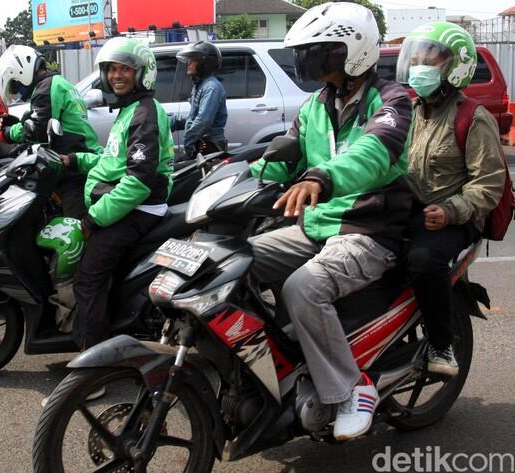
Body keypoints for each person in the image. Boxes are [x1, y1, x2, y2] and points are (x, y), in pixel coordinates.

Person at [247, 3, 414, 441]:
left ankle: (350, 389)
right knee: (236, 259)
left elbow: (373, 153)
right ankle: (280, 361)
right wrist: (246, 170)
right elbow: (288, 156)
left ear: (351, 50)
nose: (307, 61)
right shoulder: (314, 107)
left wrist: (322, 176)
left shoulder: (393, 101)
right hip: (316, 227)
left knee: (303, 287)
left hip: (368, 230)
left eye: (318, 51)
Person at [396, 22, 506, 376]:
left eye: (430, 59)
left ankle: (442, 346)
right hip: (411, 208)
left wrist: (450, 210)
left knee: (423, 259)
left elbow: (488, 185)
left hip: (453, 219)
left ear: (456, 66)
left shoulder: (472, 117)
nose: (419, 66)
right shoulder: (411, 113)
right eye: (416, 59)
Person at [61, 37, 174, 350]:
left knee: (88, 279)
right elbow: (112, 159)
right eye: (111, 69)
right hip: (123, 206)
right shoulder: (130, 110)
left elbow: (138, 181)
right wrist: (74, 160)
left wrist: (94, 218)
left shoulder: (145, 113)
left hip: (137, 208)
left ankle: (93, 366)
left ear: (142, 73)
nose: (116, 75)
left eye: (125, 68)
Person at [0, 45, 101, 219]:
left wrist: (7, 133)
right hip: (80, 155)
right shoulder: (58, 83)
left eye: (15, 85)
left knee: (75, 224)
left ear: (22, 72)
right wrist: (20, 123)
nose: (18, 92)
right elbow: (41, 119)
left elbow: (38, 129)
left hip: (75, 165)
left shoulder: (45, 88)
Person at [174, 41, 228, 159]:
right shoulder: (201, 85)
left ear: (205, 63)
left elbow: (203, 121)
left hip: (208, 146)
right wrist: (171, 123)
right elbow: (194, 117)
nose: (188, 63)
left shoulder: (211, 87)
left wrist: (187, 143)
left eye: (192, 60)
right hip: (200, 143)